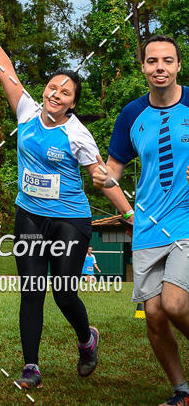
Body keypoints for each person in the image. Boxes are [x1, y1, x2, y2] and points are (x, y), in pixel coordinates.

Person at [0, 0, 133, 391]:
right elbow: (4, 69)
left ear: (73, 103)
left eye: (65, 92)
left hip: (69, 220)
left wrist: (130, 215)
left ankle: (86, 337)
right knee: (31, 291)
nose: (55, 93)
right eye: (52, 87)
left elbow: (102, 177)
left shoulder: (77, 133)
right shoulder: (25, 111)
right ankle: (31, 366)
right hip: (28, 214)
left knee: (62, 290)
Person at [94, 35, 189, 406]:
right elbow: (112, 172)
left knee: (175, 303)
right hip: (148, 226)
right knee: (153, 314)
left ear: (178, 65)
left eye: (167, 60)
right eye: (152, 61)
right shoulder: (132, 115)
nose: (160, 67)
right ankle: (181, 390)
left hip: (185, 221)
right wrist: (110, 185)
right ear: (144, 68)